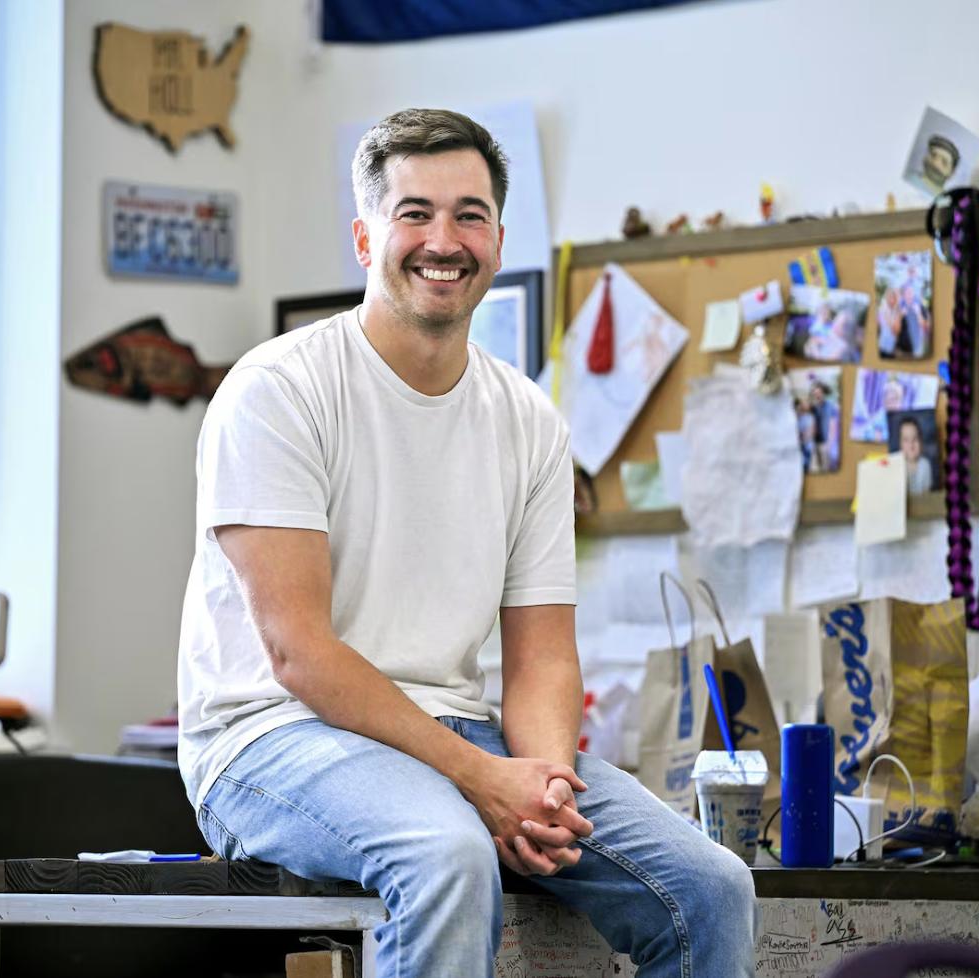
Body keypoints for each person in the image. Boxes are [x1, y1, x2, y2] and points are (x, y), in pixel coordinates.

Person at [176, 108, 756, 977]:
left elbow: (543, 660)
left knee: (712, 889)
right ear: (366, 239)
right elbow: (299, 654)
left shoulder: (527, 420)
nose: (442, 240)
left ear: (497, 240)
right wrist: (484, 785)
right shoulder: (278, 391)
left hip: (455, 737)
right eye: (414, 213)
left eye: (469, 216)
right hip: (270, 740)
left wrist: (544, 786)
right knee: (447, 853)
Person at [898, 417, 934, 494]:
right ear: (900, 444)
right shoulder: (897, 466)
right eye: (906, 440)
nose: (911, 445)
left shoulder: (925, 464)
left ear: (921, 442)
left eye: (915, 439)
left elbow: (926, 494)